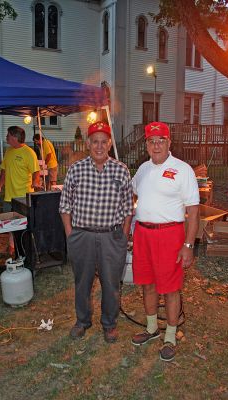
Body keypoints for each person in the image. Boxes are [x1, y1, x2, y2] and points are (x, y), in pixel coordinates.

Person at [59, 121, 133, 343]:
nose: (99, 146)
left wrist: (123, 236)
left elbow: (128, 208)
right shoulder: (76, 170)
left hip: (112, 236)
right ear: (88, 144)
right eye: (95, 142)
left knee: (111, 283)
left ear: (109, 144)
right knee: (83, 281)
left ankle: (109, 324)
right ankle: (82, 321)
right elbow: (65, 206)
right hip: (82, 235)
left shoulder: (121, 170)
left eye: (103, 142)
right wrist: (70, 234)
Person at [131, 121, 199, 362]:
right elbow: (133, 195)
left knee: (170, 289)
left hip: (170, 235)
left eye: (161, 141)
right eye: (151, 141)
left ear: (169, 142)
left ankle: (170, 336)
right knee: (147, 284)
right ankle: (151, 329)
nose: (156, 145)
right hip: (143, 234)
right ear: (147, 145)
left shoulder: (183, 170)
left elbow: (193, 210)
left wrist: (188, 245)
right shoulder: (142, 170)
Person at [0, 126, 40, 255]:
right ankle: (13, 249)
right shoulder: (8, 151)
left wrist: (35, 182)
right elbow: (4, 170)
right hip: (9, 197)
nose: (6, 137)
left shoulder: (29, 152)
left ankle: (26, 250)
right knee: (9, 225)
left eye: (8, 135)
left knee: (23, 226)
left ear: (15, 137)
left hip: (23, 198)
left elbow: (36, 171)